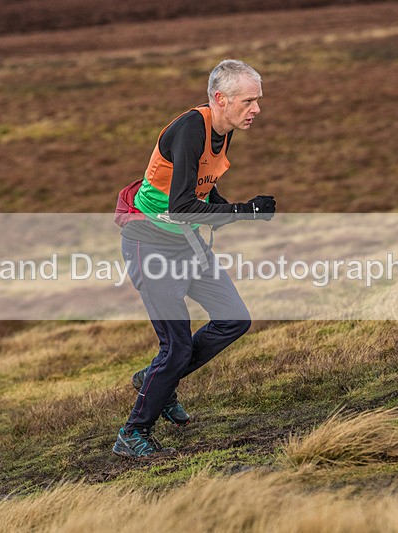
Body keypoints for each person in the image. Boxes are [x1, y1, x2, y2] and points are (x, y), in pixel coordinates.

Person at [112, 59, 276, 459]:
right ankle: (132, 434)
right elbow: (183, 204)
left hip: (186, 244)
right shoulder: (190, 128)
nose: (256, 109)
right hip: (149, 244)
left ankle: (155, 381)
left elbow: (203, 189)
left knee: (234, 319)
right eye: (248, 101)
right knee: (177, 349)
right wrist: (244, 212)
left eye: (258, 101)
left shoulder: (224, 129)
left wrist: (234, 207)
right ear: (221, 99)